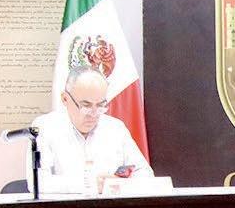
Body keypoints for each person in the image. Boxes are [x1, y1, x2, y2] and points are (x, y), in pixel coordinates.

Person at [32, 65, 151, 195]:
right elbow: (37, 182)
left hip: (111, 206)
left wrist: (116, 183)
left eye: (100, 105)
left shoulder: (116, 128)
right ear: (65, 99)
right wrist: (90, 184)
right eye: (86, 106)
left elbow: (145, 174)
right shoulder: (45, 128)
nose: (93, 114)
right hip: (67, 207)